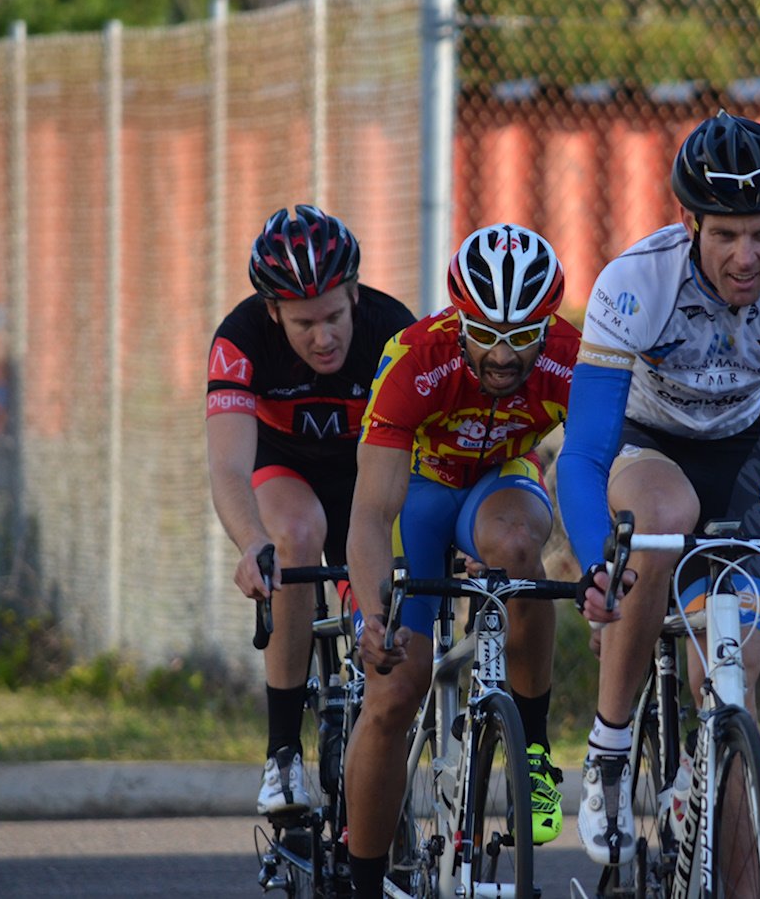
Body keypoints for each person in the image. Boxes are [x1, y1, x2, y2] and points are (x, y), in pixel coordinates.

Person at [555, 111, 760, 864]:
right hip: (645, 448)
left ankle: (699, 779)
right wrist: (594, 561)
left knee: (732, 701)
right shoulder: (635, 283)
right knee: (664, 513)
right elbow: (580, 456)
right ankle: (609, 751)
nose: (747, 257)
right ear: (689, 223)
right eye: (725, 235)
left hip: (736, 458)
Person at [343, 223, 582, 898]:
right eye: (487, 335)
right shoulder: (418, 358)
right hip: (420, 489)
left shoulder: (571, 356)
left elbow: (600, 466)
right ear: (458, 319)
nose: (505, 356)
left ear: (548, 326)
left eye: (523, 337)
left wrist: (604, 569)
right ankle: (362, 883)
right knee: (395, 688)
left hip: (501, 478)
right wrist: (372, 614)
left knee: (519, 554)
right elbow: (369, 516)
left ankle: (532, 751)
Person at [206, 204, 415, 817]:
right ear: (273, 312)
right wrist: (251, 544)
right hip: (284, 468)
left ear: (354, 293)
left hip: (365, 479)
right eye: (303, 324)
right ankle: (282, 755)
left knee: (381, 602)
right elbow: (227, 466)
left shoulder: (392, 328)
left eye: (333, 316)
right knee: (293, 536)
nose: (323, 338)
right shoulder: (240, 337)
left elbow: (428, 450)